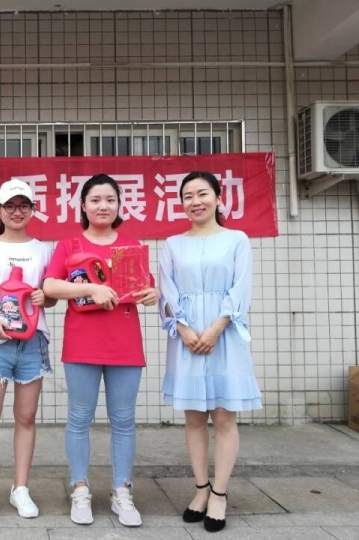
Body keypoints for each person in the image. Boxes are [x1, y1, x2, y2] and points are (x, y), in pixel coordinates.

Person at [42, 173, 160, 527]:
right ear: (83, 205)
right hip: (82, 345)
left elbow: (146, 287)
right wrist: (89, 290)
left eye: (110, 199)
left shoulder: (131, 246)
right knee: (80, 418)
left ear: (120, 205)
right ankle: (80, 488)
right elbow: (49, 286)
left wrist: (152, 294)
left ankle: (121, 491)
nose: (103, 206)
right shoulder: (69, 246)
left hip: (125, 346)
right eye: (95, 200)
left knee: (123, 420)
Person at [158, 171, 262, 533]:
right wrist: (184, 330)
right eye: (187, 196)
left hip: (225, 335)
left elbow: (240, 288)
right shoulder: (172, 244)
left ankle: (220, 492)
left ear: (219, 198)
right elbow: (166, 292)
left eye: (202, 194)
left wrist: (217, 328)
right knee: (193, 418)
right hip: (186, 337)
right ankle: (200, 488)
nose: (195, 201)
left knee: (223, 417)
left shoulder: (237, 240)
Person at [0, 178, 57, 526]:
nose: (17, 212)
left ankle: (20, 489)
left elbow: (50, 295)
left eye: (23, 205)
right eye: (10, 206)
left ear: (32, 210)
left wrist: (44, 297)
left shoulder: (43, 249)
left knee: (26, 418)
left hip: (33, 343)